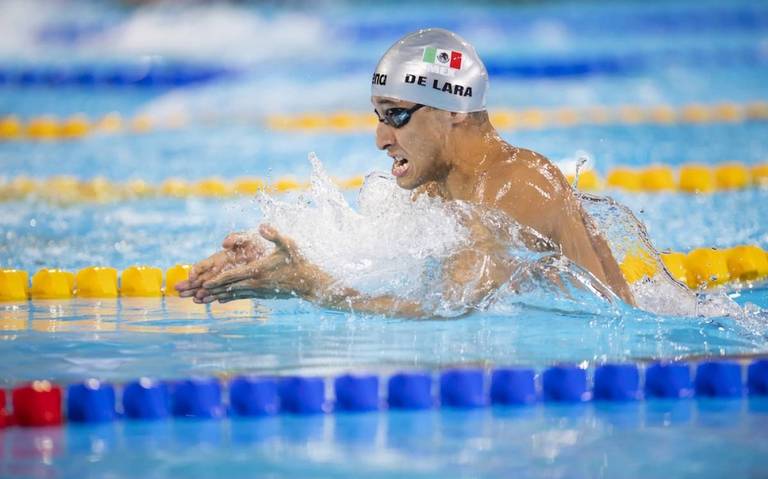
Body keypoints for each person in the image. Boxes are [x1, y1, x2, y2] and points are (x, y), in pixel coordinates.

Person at [176, 28, 635, 316]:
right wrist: (268, 261)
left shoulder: (514, 184)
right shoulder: (436, 185)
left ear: (453, 109)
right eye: (378, 116)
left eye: (396, 115)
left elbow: (448, 311)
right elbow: (369, 254)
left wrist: (312, 289)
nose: (380, 138)